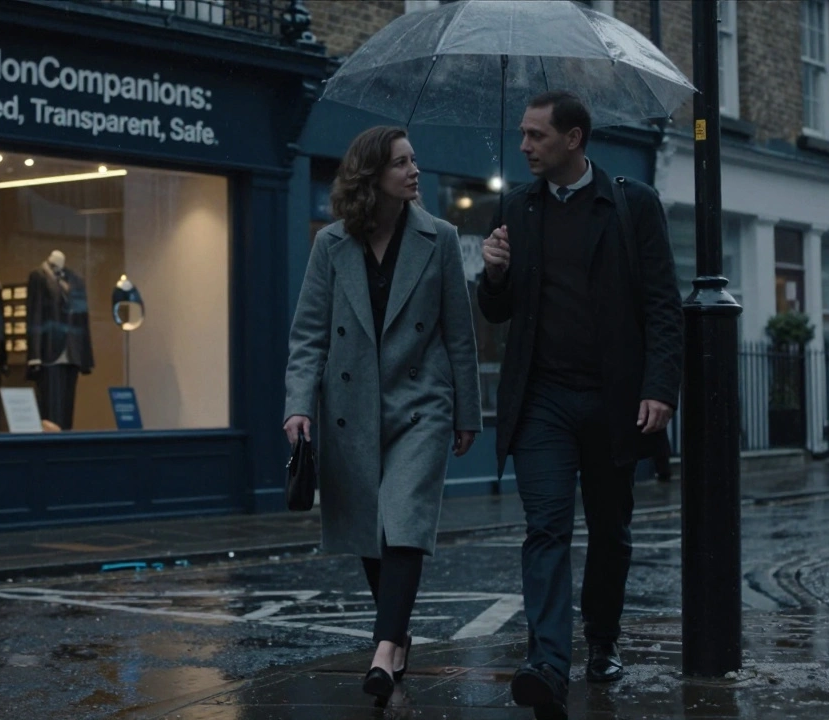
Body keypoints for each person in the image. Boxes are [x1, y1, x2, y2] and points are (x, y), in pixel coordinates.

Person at [478, 91, 683, 720]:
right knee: (546, 527)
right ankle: (546, 661)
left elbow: (661, 304)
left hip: (614, 398)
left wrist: (658, 388)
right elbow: (498, 312)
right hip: (541, 398)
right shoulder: (517, 206)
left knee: (611, 529)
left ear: (574, 139)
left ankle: (602, 640)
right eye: (522, 134)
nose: (524, 146)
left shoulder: (630, 204)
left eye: (537, 136)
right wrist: (493, 273)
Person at [284, 125, 483, 701]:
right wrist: (298, 406)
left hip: (421, 404)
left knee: (403, 521)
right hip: (351, 408)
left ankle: (381, 647)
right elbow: (308, 337)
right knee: (372, 531)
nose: (414, 170)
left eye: (415, 160)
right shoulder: (332, 245)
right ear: (373, 177)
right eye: (401, 163)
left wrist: (467, 411)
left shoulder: (438, 237)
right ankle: (396, 641)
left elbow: (459, 334)